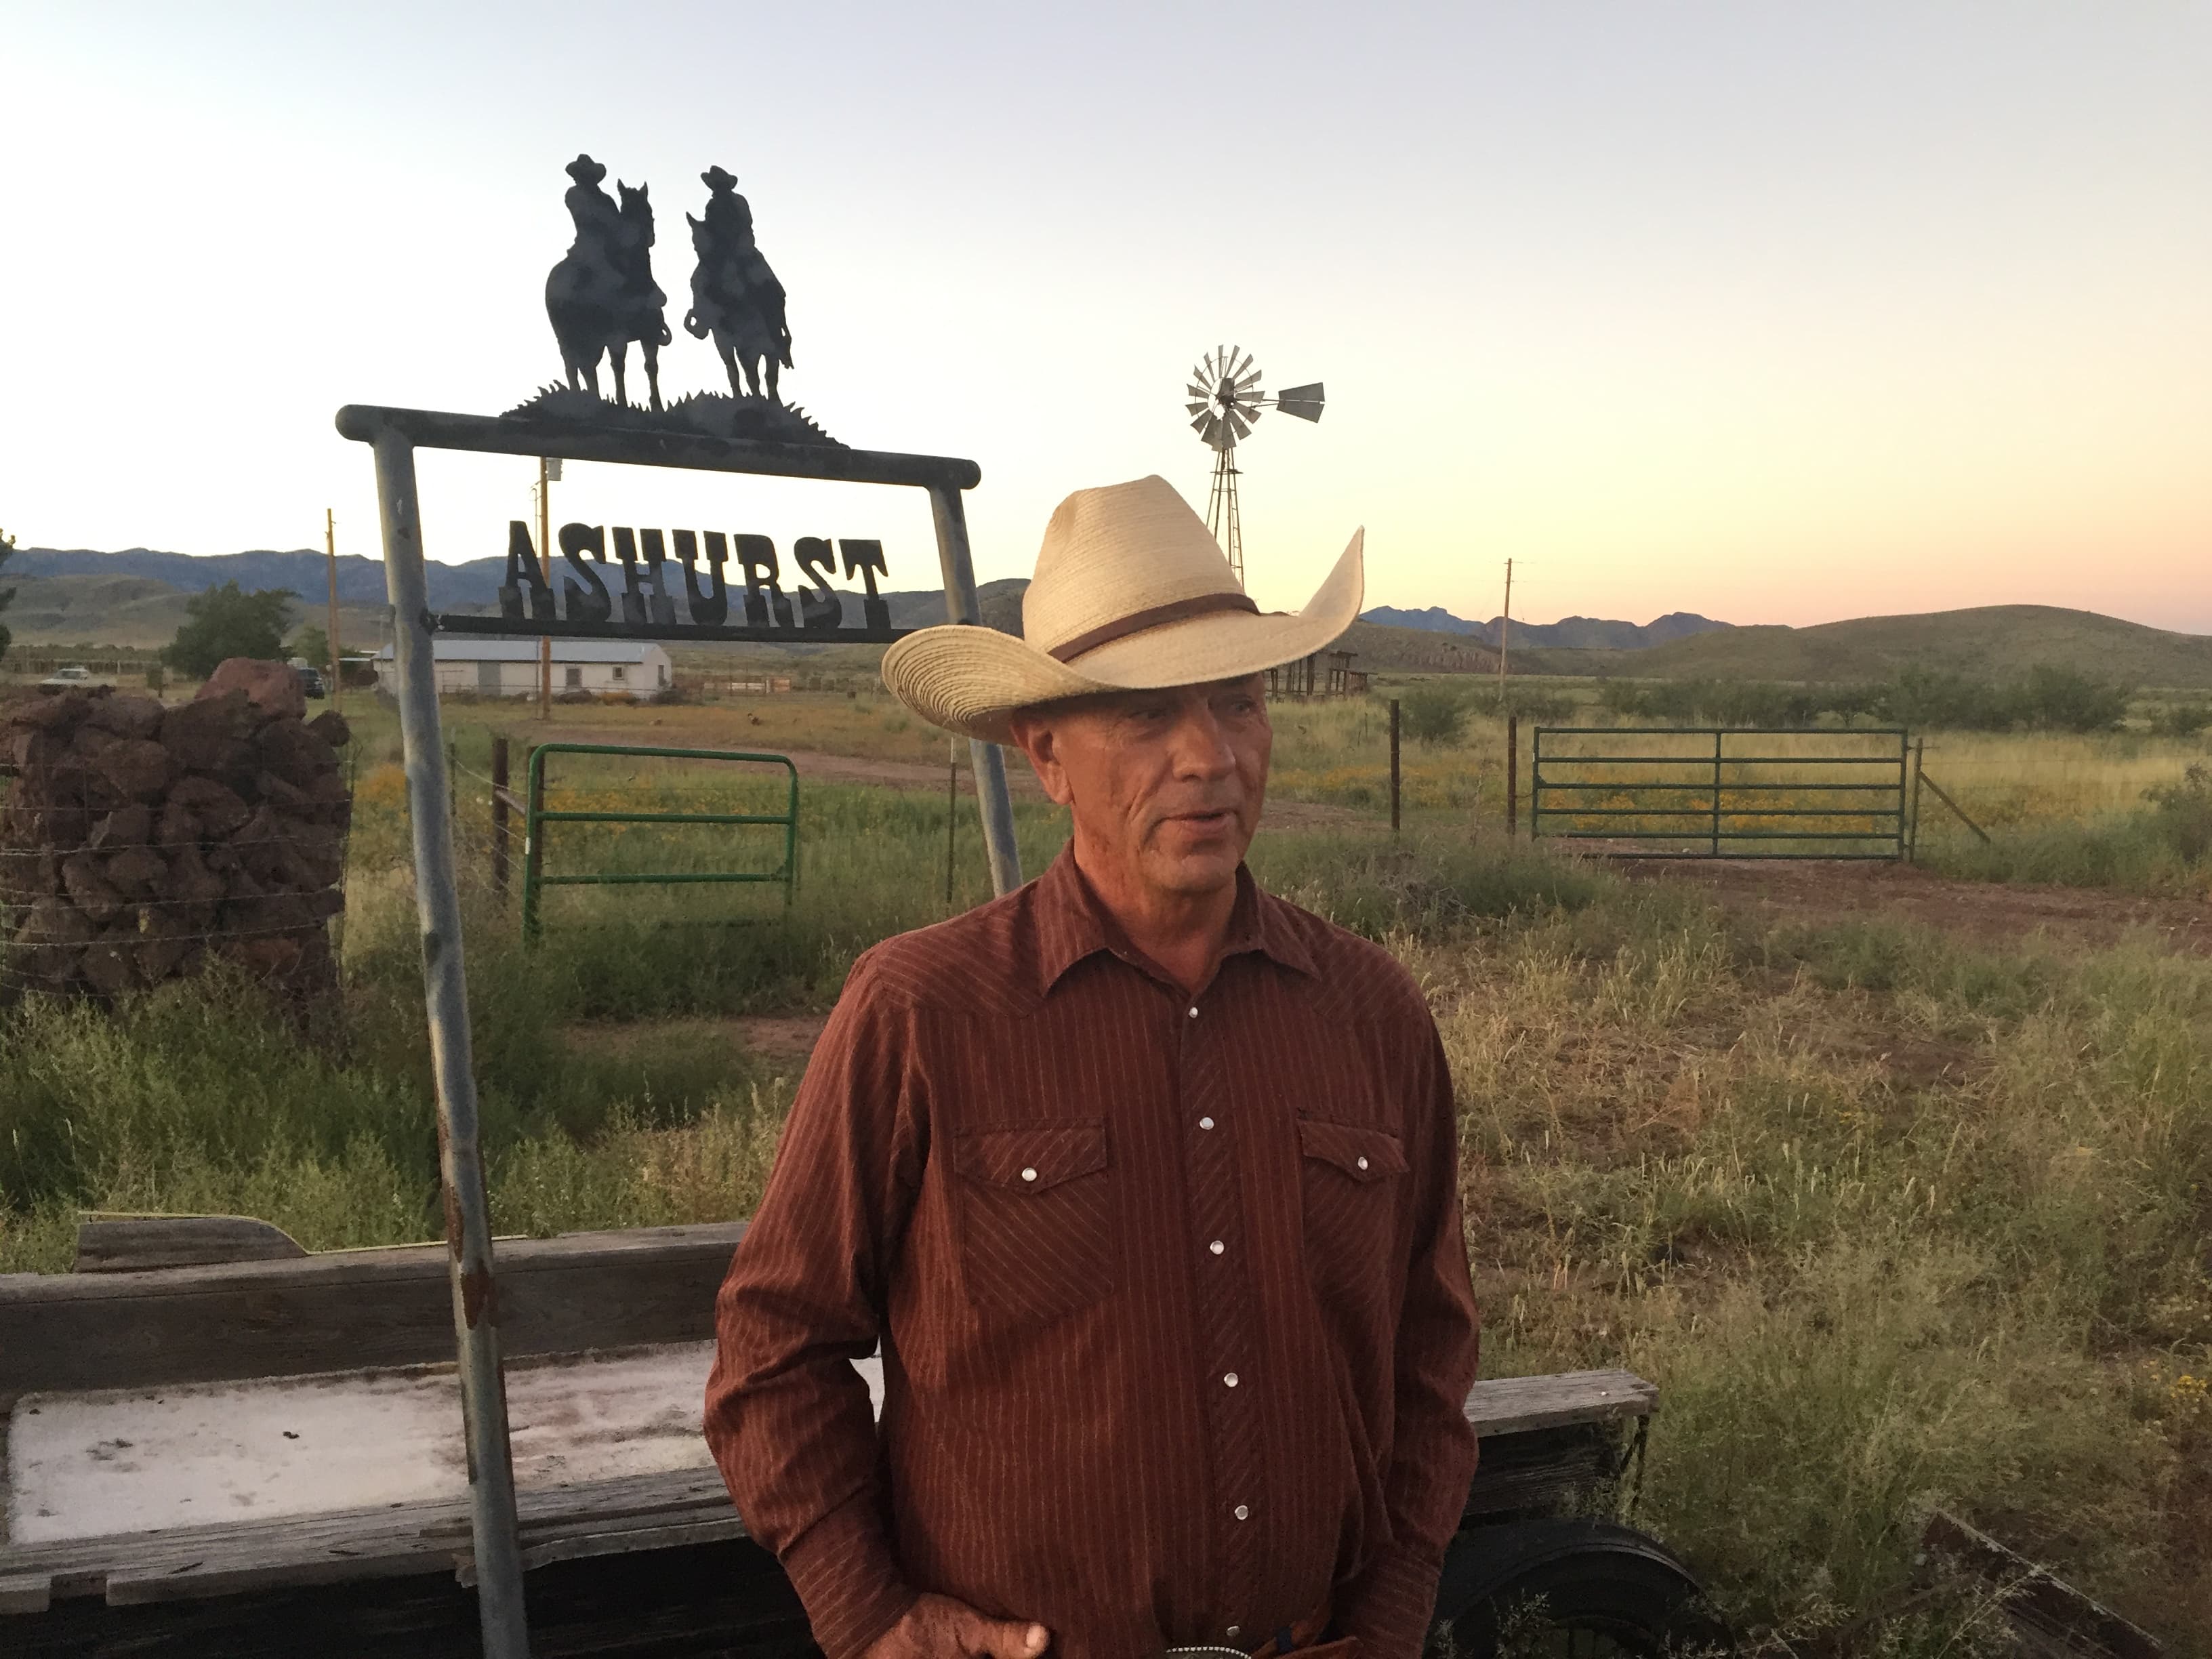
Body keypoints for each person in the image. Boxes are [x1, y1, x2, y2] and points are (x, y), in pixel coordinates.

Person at [705, 476, 1481, 1659]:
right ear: (1047, 754)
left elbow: (1430, 1348)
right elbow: (776, 1345)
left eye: (1238, 702)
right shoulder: (922, 1011)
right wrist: (868, 1617)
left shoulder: (1371, 1013)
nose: (1207, 758)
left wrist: (1392, 1608)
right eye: (1145, 716)